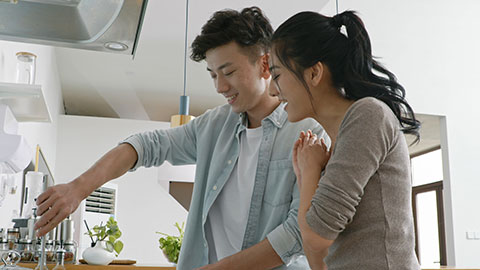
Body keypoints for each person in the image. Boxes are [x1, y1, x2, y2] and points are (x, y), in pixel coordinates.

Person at [35, 7, 328, 270]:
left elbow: (297, 232)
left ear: (265, 65)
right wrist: (78, 188)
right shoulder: (213, 125)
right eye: (213, 74)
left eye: (228, 72)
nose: (220, 86)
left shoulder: (309, 134)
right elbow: (146, 145)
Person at [268, 10, 421, 270]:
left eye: (277, 75)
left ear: (314, 73)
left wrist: (309, 170)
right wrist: (308, 176)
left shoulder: (367, 115)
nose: (272, 90)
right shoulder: (338, 141)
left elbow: (316, 238)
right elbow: (319, 260)